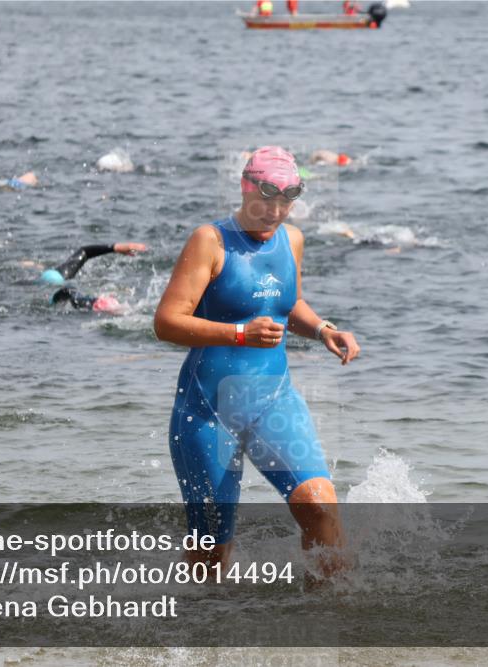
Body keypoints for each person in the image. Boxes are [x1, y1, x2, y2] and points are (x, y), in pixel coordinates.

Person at [154, 146, 360, 578]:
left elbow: (290, 304)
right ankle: (198, 639)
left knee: (319, 506)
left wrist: (323, 329)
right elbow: (167, 323)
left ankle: (329, 629)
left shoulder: (293, 240)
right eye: (267, 199)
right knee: (211, 560)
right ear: (246, 189)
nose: (276, 211)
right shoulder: (209, 241)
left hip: (274, 403)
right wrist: (239, 334)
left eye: (287, 201)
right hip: (208, 412)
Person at [41, 242, 147, 312]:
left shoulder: (45, 278)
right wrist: (114, 247)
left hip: (54, 287)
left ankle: (97, 303)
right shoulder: (55, 275)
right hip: (55, 281)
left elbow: (84, 252)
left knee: (68, 291)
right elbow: (84, 251)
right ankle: (97, 303)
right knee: (68, 291)